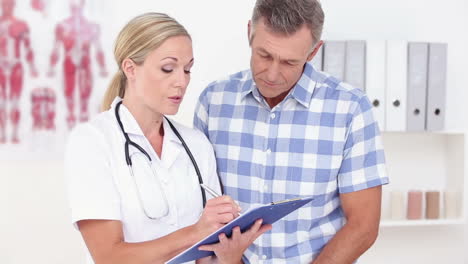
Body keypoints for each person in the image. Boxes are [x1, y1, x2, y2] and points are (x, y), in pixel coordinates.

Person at [65, 12, 270, 264]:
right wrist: (195, 232)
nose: (181, 82)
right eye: (168, 69)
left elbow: (206, 257)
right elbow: (109, 257)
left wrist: (230, 251)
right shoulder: (93, 141)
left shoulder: (196, 145)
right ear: (130, 68)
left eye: (187, 70)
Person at [193, 0, 389, 263]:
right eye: (264, 55)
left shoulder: (350, 109)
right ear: (249, 32)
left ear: (313, 52)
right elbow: (202, 210)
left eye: (288, 62)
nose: (272, 74)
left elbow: (363, 227)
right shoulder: (213, 102)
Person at [49, 0, 107, 129]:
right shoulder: (62, 26)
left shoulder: (91, 27)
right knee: (69, 88)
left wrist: (102, 66)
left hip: (85, 61)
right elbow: (56, 48)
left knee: (85, 88)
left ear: (83, 5)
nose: (75, 8)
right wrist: (51, 67)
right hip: (69, 60)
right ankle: (70, 115)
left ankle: (84, 114)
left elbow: (98, 48)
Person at [0, 0, 38, 144]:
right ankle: (3, 134)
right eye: (4, 4)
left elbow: (27, 47)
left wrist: (32, 66)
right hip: (1, 68)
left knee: (15, 101)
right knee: (2, 102)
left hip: (16, 66)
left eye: (9, 4)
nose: (7, 7)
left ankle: (14, 133)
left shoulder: (21, 25)